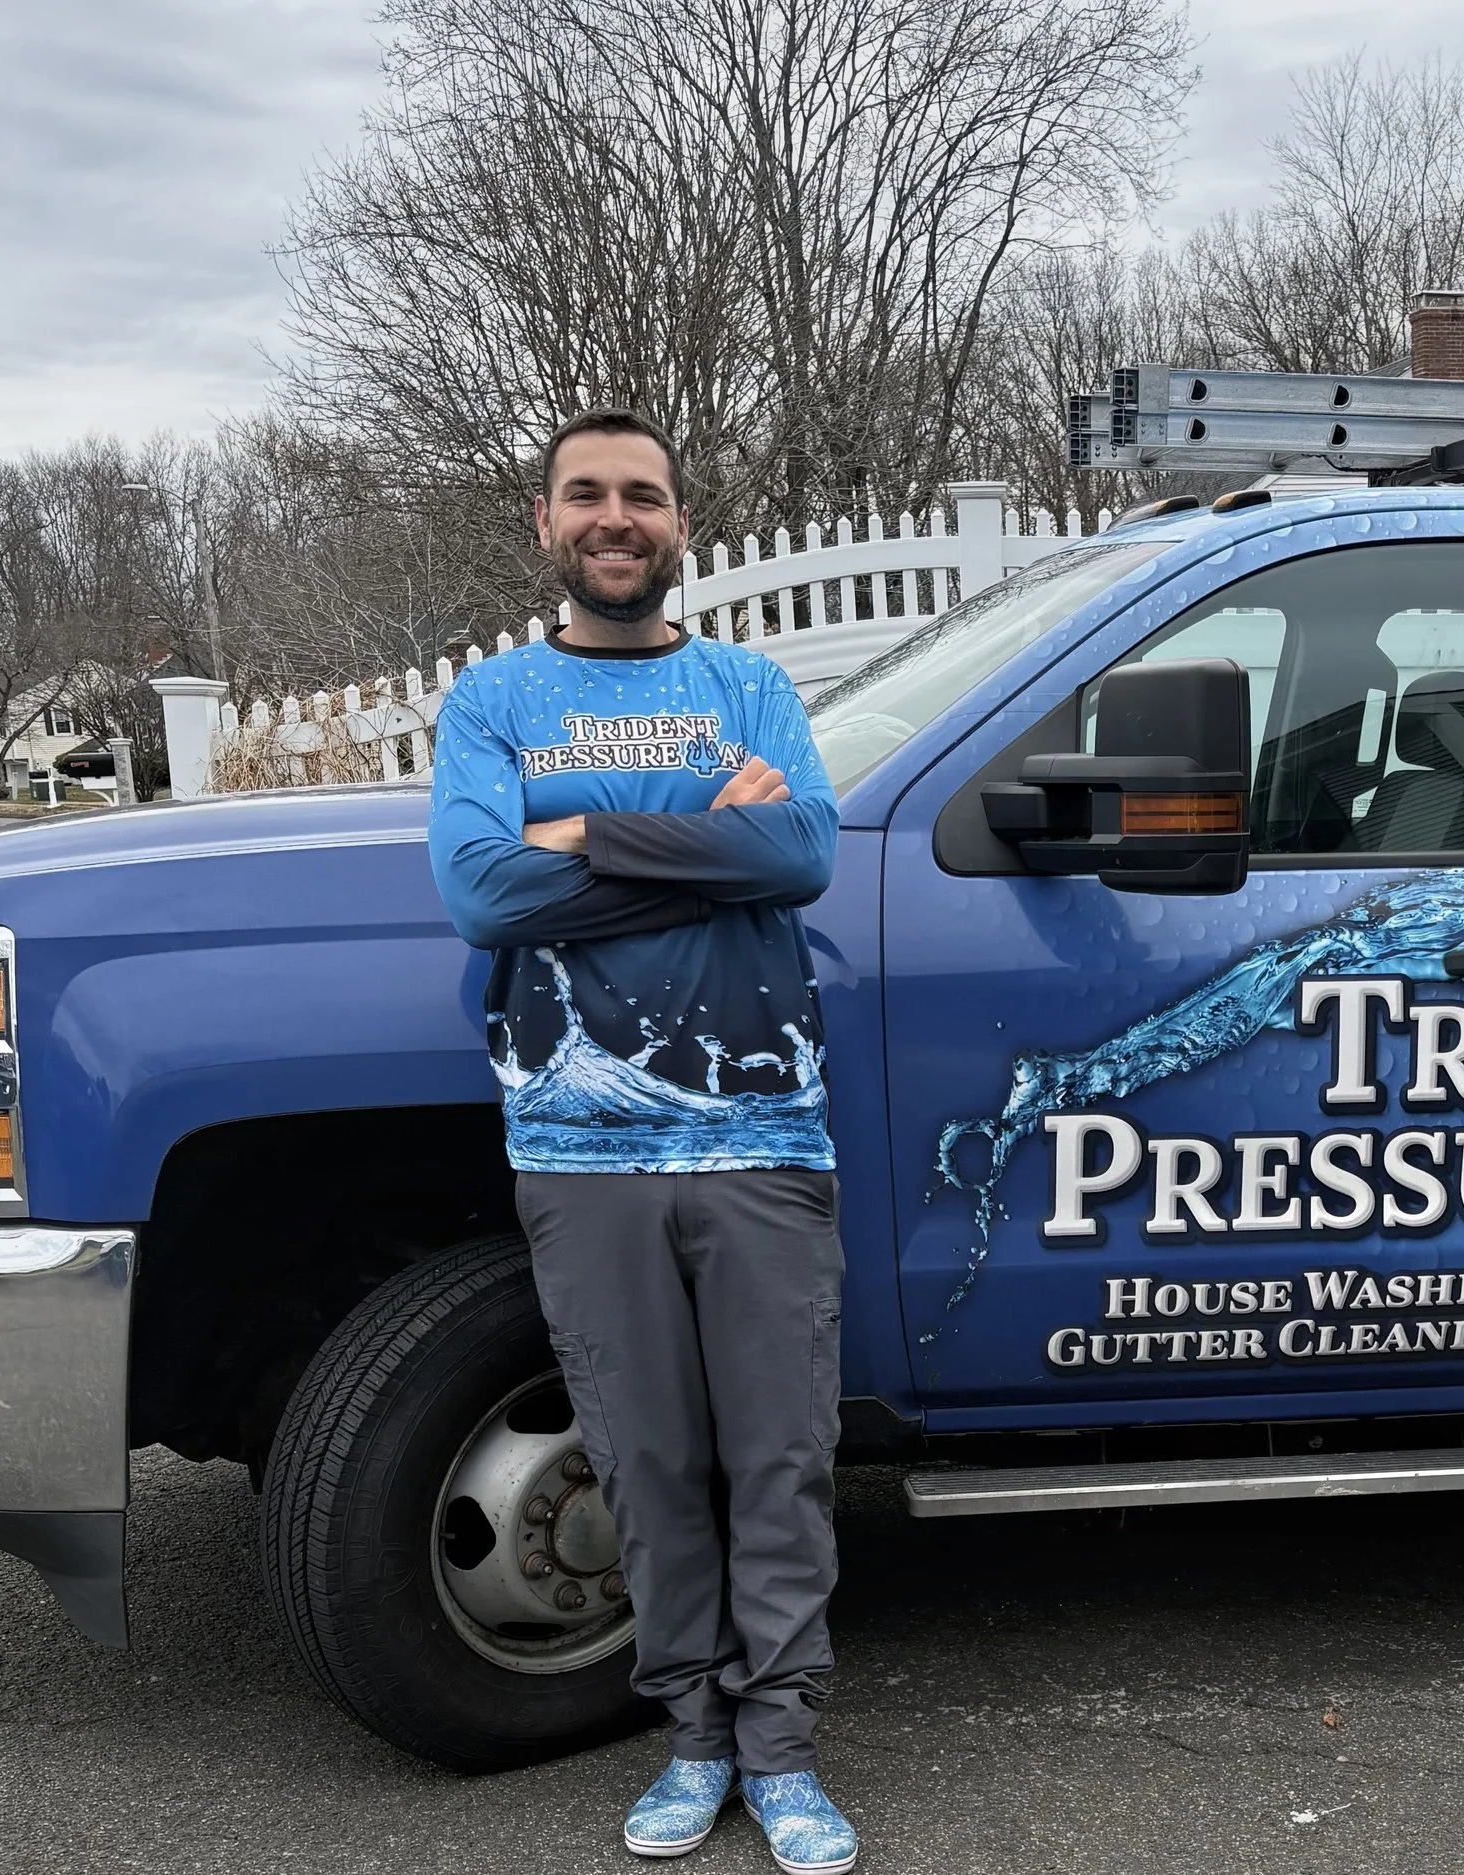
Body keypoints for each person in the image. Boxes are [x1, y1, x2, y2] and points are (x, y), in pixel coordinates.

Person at [428, 408, 856, 1872]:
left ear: (683, 525)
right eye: (589, 495)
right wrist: (695, 826)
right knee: (648, 1459)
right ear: (545, 522)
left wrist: (580, 835)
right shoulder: (491, 702)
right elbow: (484, 897)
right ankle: (695, 1737)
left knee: (781, 1454)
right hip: (577, 1140)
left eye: (646, 496)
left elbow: (799, 851)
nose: (618, 518)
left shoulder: (749, 682)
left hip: (762, 1132)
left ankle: (785, 1749)